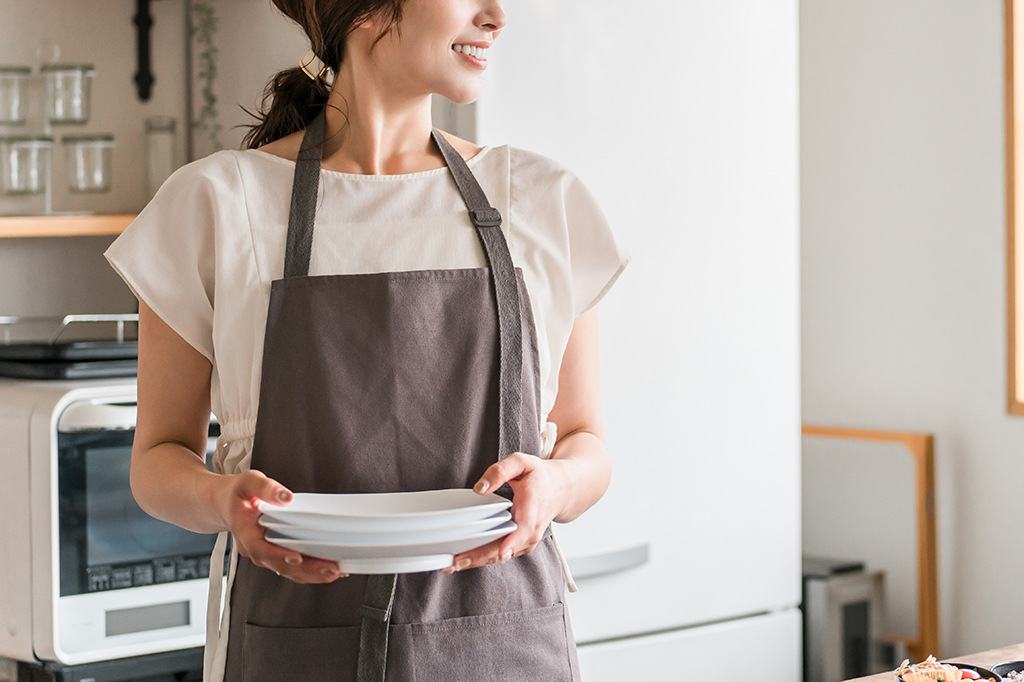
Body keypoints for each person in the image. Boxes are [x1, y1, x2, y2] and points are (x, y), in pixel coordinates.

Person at [104, 0, 629, 679]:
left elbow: (588, 443)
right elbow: (157, 460)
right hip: (293, 643)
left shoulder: (541, 201)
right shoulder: (218, 204)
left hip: (503, 643)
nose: (497, 15)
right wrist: (219, 500)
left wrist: (555, 486)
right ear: (369, 10)